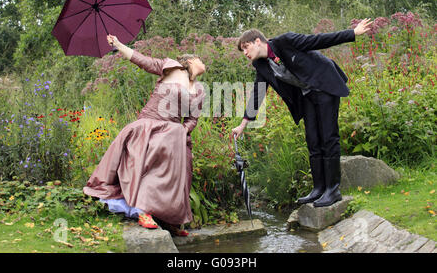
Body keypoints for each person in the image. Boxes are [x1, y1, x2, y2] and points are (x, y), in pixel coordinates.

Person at [231, 19, 373, 207]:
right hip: (306, 94)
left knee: (328, 137)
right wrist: (243, 124)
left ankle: (333, 190)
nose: (245, 53)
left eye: (246, 47)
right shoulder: (261, 65)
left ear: (258, 41)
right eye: (243, 51)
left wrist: (352, 33)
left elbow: (318, 40)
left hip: (324, 85)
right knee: (313, 140)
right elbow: (258, 92)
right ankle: (318, 189)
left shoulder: (286, 41)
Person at [83, 34, 206, 236]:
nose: (203, 63)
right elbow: (142, 60)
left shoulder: (199, 90)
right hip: (150, 125)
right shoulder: (171, 67)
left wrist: (183, 131)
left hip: (174, 131)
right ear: (190, 60)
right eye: (200, 59)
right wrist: (118, 44)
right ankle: (142, 211)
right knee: (159, 150)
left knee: (179, 154)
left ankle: (167, 220)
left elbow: (193, 118)